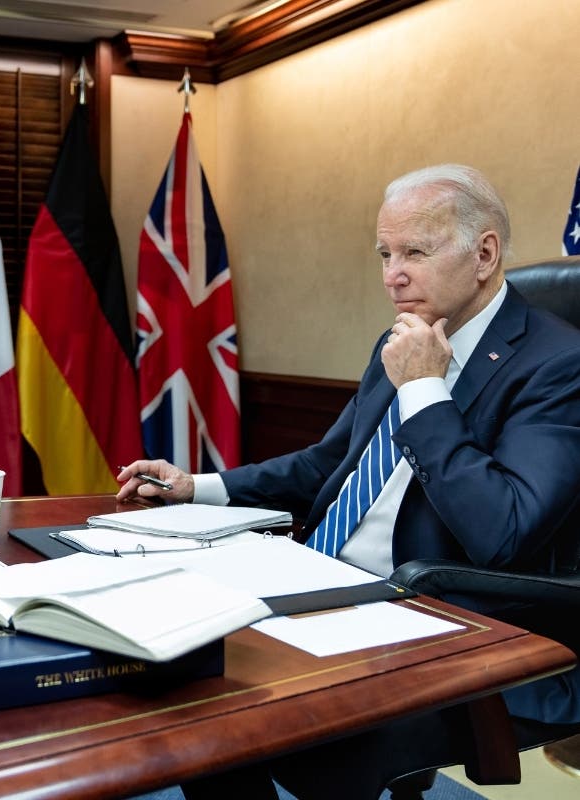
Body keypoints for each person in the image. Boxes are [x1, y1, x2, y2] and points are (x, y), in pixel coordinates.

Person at [117, 164, 580, 799]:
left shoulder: (556, 364)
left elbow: (502, 530)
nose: (393, 274)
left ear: (485, 253)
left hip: (437, 616)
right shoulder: (397, 345)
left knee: (245, 711)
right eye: (386, 253)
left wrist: (422, 388)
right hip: (320, 580)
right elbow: (325, 468)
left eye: (415, 251)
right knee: (179, 666)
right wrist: (198, 486)